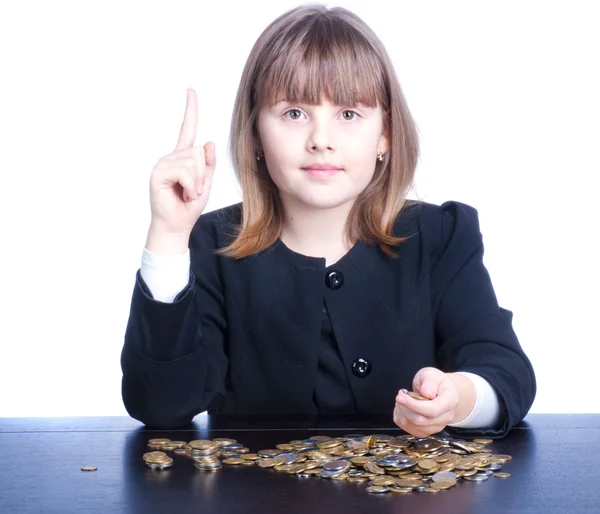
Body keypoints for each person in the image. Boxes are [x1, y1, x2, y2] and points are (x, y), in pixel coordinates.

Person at [121, 4, 536, 438]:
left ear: (385, 135)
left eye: (349, 114)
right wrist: (168, 235)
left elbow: (507, 374)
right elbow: (161, 406)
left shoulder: (441, 237)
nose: (321, 140)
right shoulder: (210, 244)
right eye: (294, 113)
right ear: (256, 134)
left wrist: (458, 396)